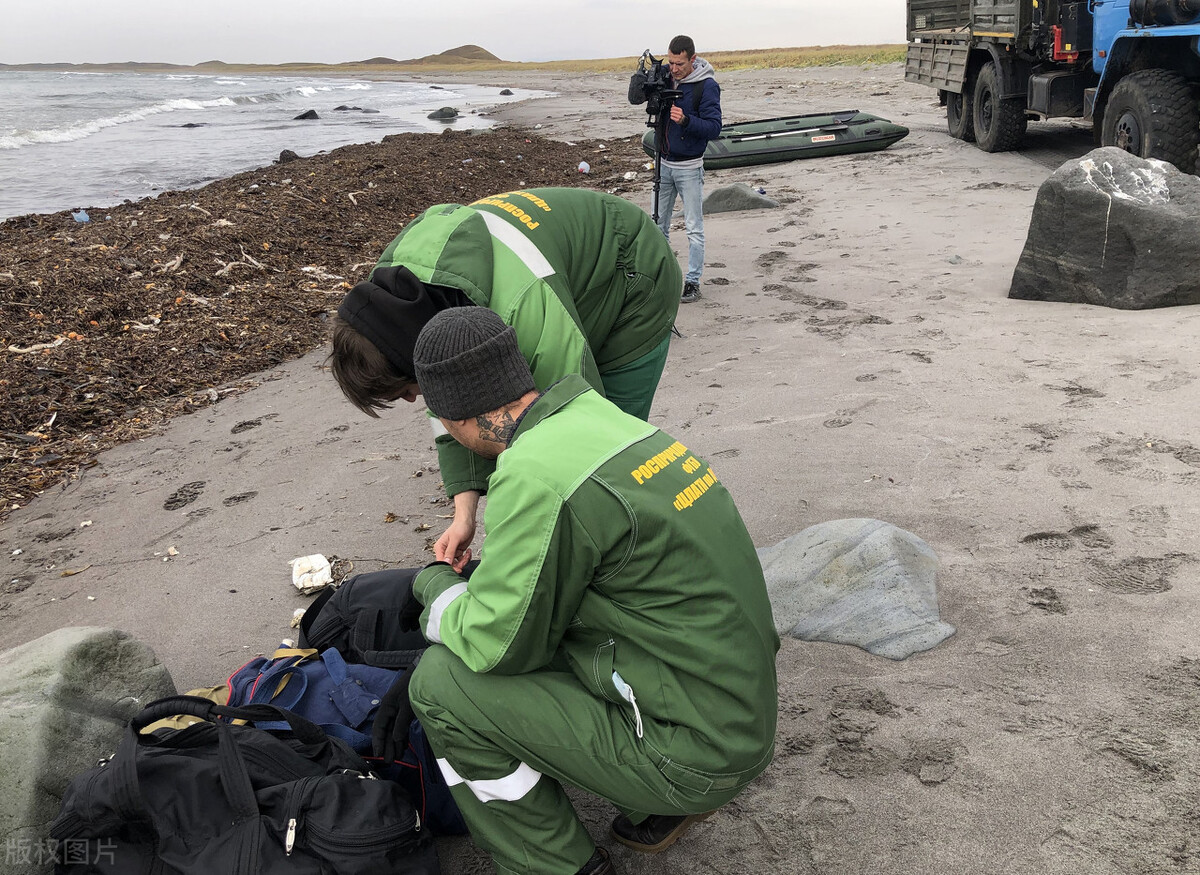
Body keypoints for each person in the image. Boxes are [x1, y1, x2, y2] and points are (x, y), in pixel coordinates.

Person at [400, 307, 779, 875]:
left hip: (697, 753)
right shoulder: (602, 421)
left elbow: (496, 646)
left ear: (453, 416)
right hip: (737, 712)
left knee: (440, 683)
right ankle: (648, 803)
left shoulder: (534, 474)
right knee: (551, 612)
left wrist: (436, 585)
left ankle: (558, 865)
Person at [328, 187, 682, 573]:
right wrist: (465, 514)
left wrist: (510, 542)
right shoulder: (395, 303)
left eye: (405, 391)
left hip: (630, 268)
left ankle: (628, 558)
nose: (415, 401)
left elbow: (573, 426)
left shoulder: (525, 306)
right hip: (557, 267)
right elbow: (454, 409)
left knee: (606, 440)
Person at [656, 35, 722, 303]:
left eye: (679, 64)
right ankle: (660, 279)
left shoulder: (707, 86)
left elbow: (714, 128)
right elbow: (636, 99)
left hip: (690, 166)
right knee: (658, 225)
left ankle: (692, 282)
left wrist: (685, 120)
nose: (674, 69)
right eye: (671, 62)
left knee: (693, 227)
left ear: (692, 59)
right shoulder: (664, 77)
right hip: (663, 164)